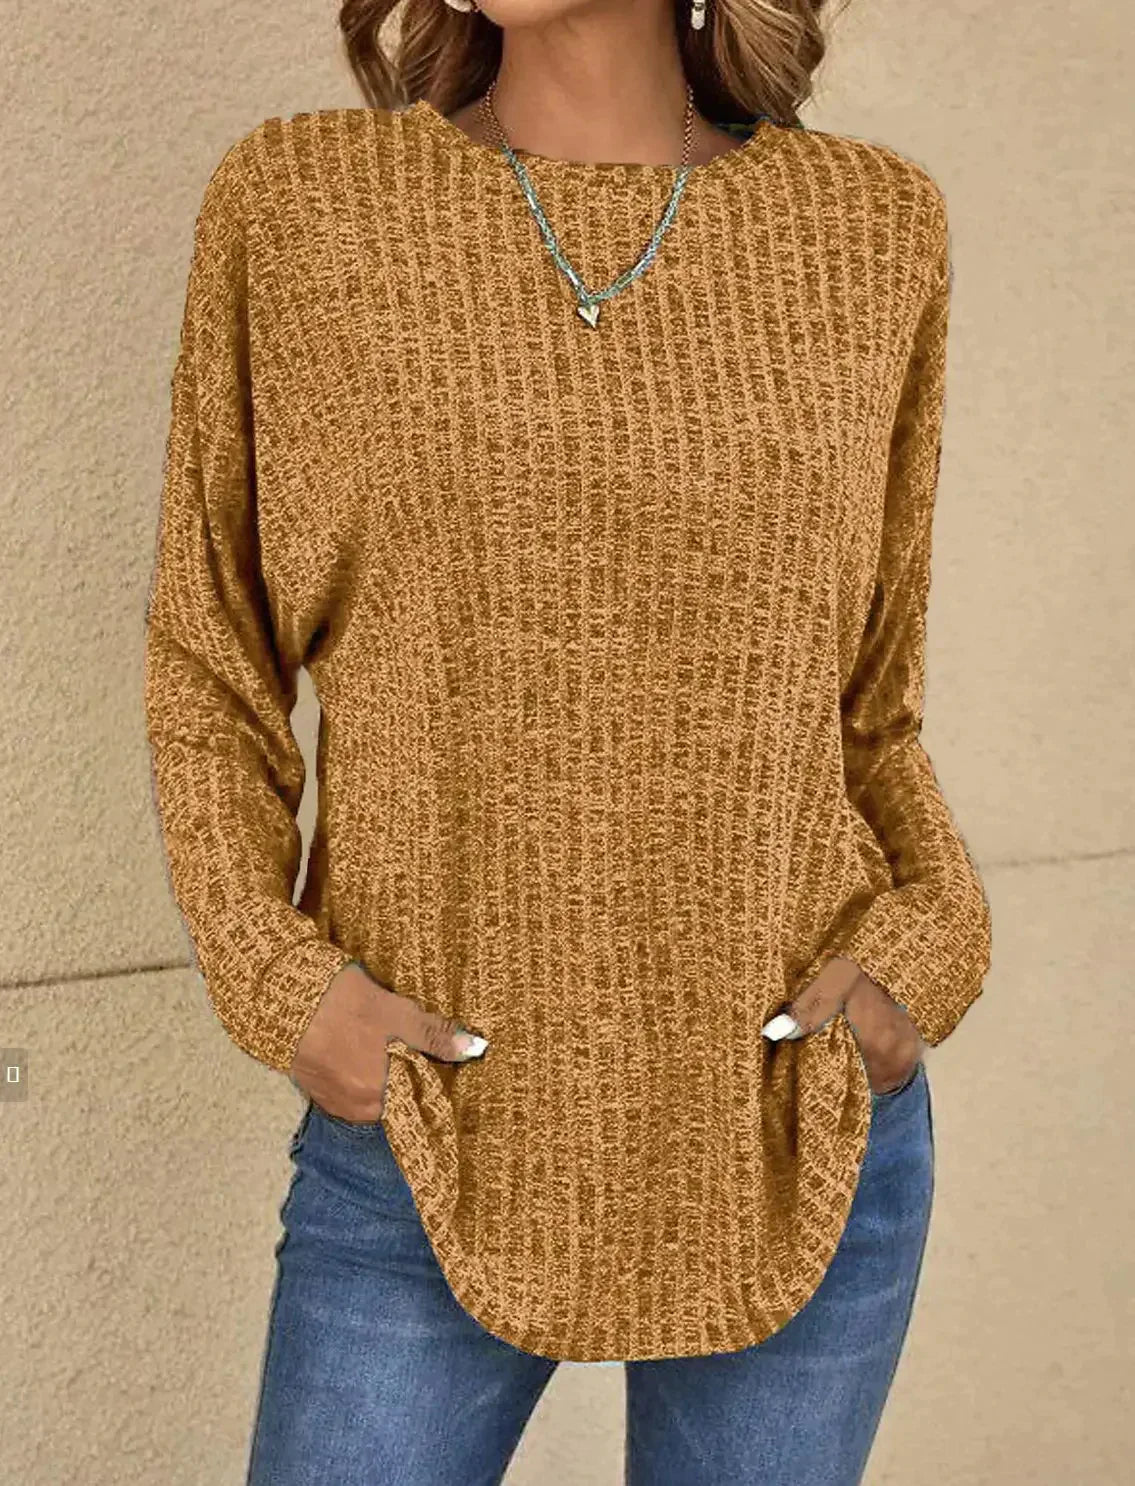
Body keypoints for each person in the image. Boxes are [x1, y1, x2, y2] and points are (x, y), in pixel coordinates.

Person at [143, 1, 992, 1481]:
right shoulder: (303, 208)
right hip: (427, 1133)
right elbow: (211, 659)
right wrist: (281, 982)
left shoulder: (871, 230)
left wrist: (927, 953)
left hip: (795, 1123)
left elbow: (870, 708)